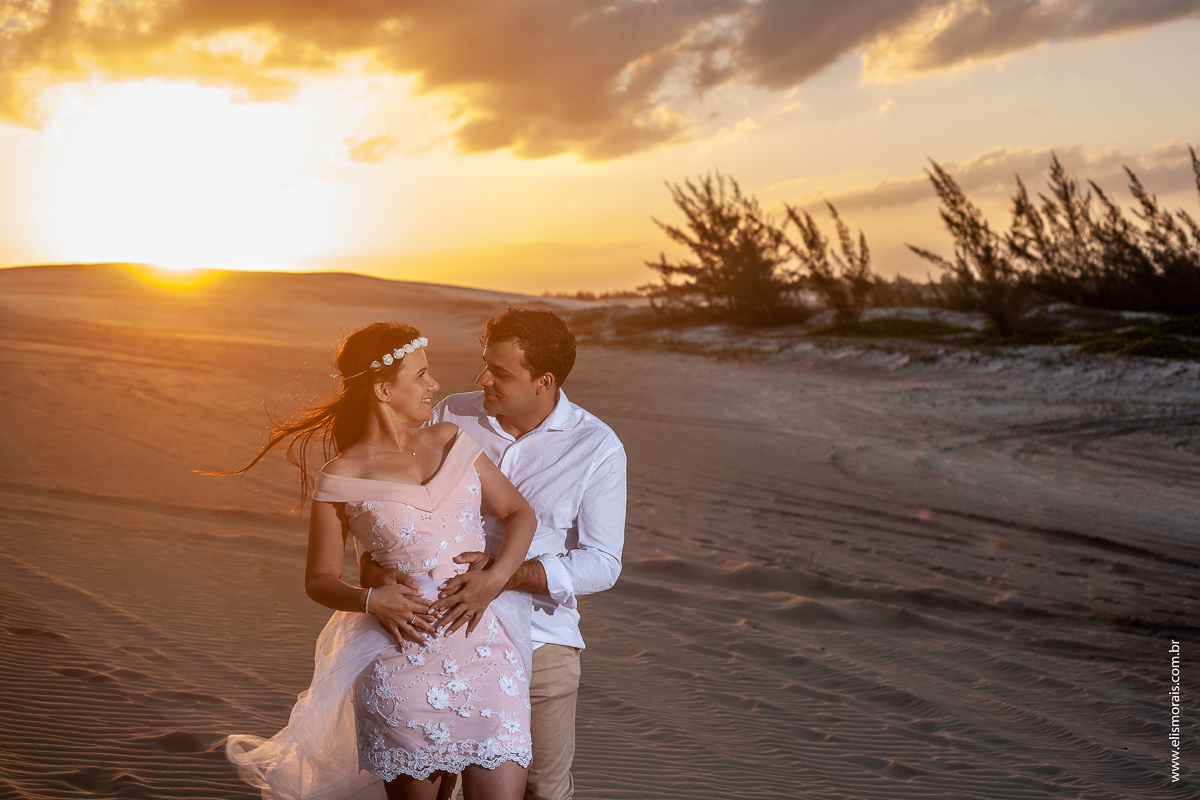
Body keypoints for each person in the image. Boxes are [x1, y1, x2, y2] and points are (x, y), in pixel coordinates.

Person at [224, 322, 538, 800]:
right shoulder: (341, 476)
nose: (435, 386)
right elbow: (320, 579)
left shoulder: (453, 438)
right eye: (422, 375)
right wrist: (371, 599)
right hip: (401, 657)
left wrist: (495, 578)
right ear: (382, 387)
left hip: (485, 650)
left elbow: (519, 513)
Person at [362, 308, 627, 800]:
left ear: (543, 381)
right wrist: (377, 569)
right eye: (485, 363)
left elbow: (603, 562)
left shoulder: (597, 448)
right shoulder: (450, 415)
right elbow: (390, 504)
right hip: (436, 633)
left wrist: (504, 577)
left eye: (500, 372)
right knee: (435, 783)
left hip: (542, 644)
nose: (481, 379)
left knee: (541, 791)